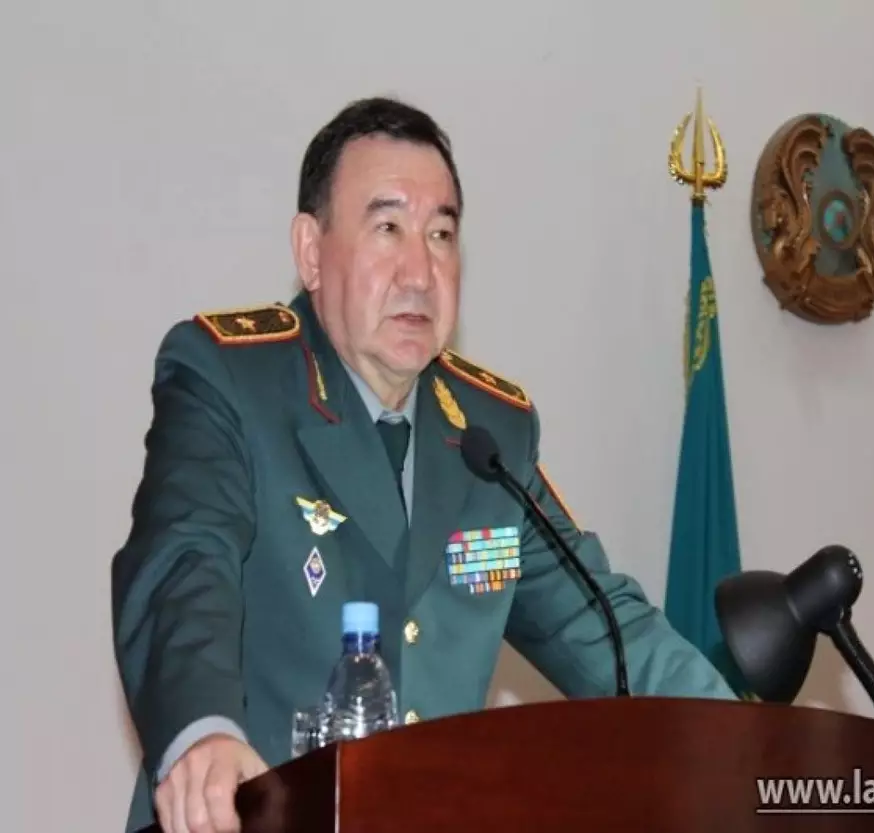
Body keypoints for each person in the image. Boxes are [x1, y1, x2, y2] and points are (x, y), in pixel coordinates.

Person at [110, 95, 736, 833]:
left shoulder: (489, 434)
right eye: (388, 228)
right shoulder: (233, 380)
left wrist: (744, 743)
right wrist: (203, 732)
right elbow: (185, 565)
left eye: (442, 233)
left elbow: (601, 621)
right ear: (310, 251)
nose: (419, 270)